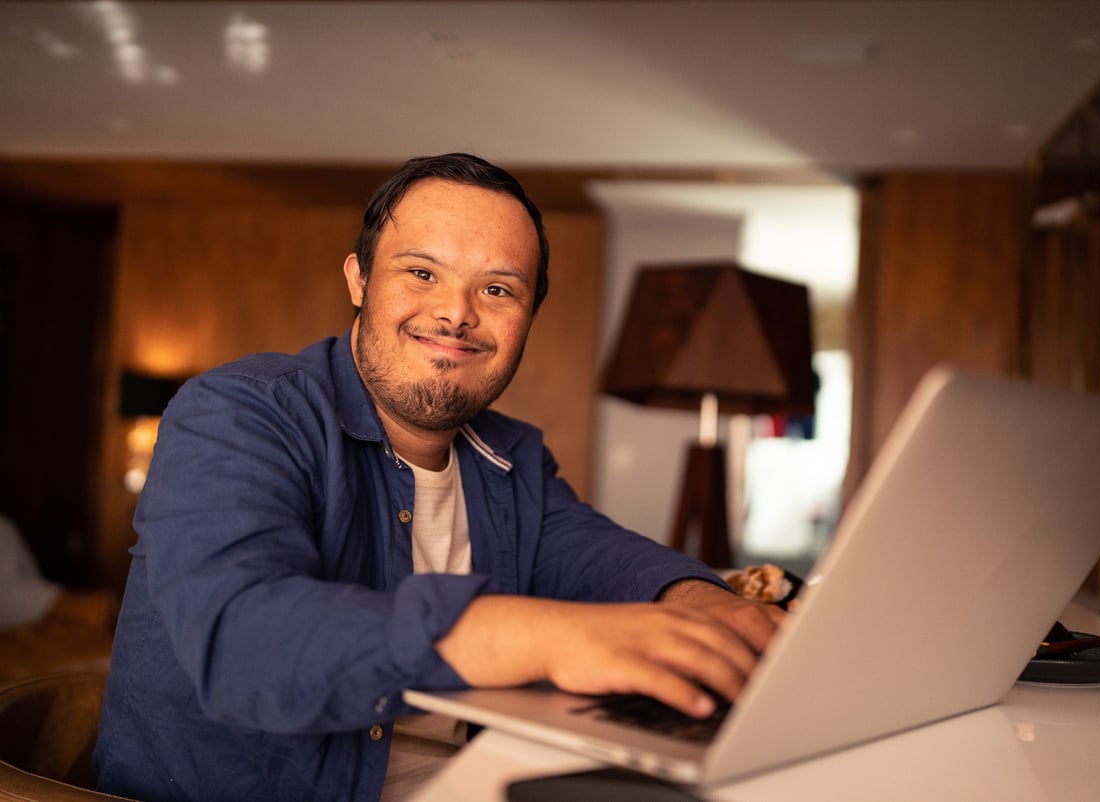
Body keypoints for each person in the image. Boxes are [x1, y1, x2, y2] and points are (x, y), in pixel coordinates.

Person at [93, 153, 784, 801]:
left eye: (497, 288)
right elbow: (245, 641)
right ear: (359, 280)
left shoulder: (511, 457)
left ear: (528, 318)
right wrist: (550, 637)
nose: (457, 312)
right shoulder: (238, 413)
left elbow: (596, 555)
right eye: (422, 273)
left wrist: (705, 603)